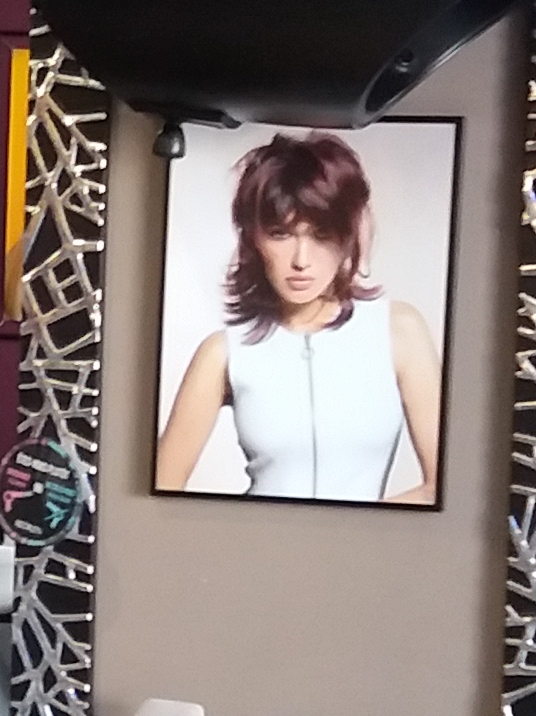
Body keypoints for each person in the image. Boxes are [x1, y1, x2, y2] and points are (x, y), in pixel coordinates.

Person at [152, 130, 442, 504]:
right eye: (280, 234)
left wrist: (355, 531)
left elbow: (442, 489)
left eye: (321, 234)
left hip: (368, 544)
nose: (301, 260)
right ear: (252, 238)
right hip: (255, 541)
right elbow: (156, 500)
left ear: (349, 234)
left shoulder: (399, 331)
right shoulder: (222, 354)